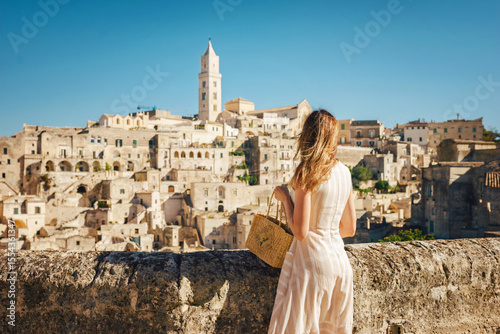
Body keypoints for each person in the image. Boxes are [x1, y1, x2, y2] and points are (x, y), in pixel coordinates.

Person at [267, 109, 356, 334]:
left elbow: (300, 231)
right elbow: (350, 228)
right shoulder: (345, 172)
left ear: (308, 136)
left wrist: (286, 199)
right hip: (340, 266)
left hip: (312, 266)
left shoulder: (306, 172)